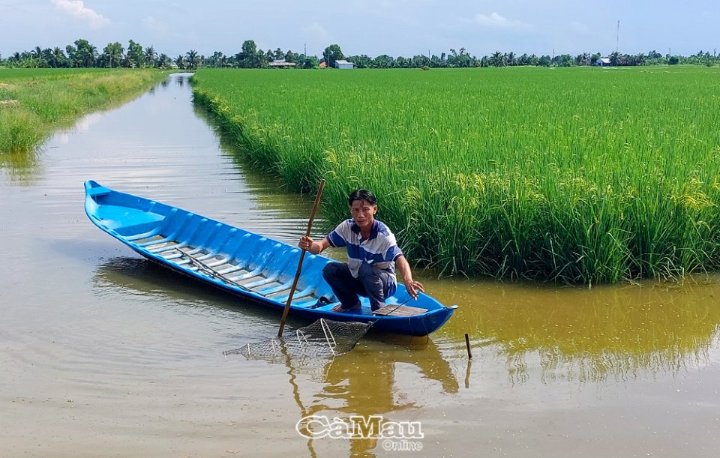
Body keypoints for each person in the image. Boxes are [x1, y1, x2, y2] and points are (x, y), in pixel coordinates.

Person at [298, 189, 424, 312]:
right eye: (356, 210)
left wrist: (408, 281)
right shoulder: (347, 227)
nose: (360, 215)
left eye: (365, 210)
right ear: (351, 210)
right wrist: (309, 245)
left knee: (365, 269)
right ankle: (351, 304)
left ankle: (379, 309)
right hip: (359, 280)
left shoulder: (383, 235)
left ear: (374, 209)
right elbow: (320, 246)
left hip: (384, 284)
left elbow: (400, 258)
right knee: (330, 270)